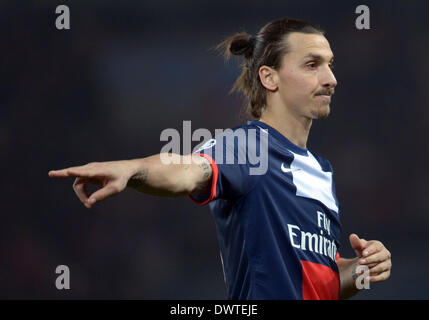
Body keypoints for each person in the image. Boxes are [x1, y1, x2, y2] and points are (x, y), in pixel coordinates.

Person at [48, 18, 391, 300]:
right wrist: (134, 169)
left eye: (330, 65)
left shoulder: (321, 171)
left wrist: (359, 270)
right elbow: (187, 171)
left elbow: (318, 281)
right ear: (269, 77)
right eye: (312, 65)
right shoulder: (249, 147)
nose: (331, 79)